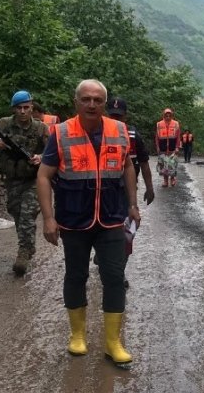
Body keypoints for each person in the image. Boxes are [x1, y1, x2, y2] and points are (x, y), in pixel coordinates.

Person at [36, 80, 141, 366]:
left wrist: (132, 204)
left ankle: (112, 342)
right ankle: (77, 335)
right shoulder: (60, 133)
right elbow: (44, 176)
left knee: (114, 277)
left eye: (97, 100)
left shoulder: (119, 131)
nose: (92, 104)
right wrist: (48, 218)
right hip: (73, 219)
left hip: (110, 218)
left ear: (104, 104)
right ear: (76, 102)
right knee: (76, 275)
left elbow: (128, 167)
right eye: (86, 99)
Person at [0, 89, 48, 276]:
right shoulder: (2, 125)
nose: (22, 111)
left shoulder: (41, 128)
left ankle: (24, 252)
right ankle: (27, 245)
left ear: (32, 107)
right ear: (14, 109)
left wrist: (40, 157)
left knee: (27, 215)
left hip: (33, 179)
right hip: (11, 180)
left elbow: (53, 150)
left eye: (26, 107)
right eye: (19, 108)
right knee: (17, 213)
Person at [106, 96, 155, 288]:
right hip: (104, 190)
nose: (116, 120)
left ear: (125, 116)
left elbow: (143, 162)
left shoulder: (133, 135)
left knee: (127, 231)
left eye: (119, 116)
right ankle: (105, 256)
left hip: (127, 191)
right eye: (112, 116)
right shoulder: (98, 132)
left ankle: (119, 271)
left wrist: (150, 188)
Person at [155, 107, 181, 187]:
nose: (168, 117)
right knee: (163, 166)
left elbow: (178, 137)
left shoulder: (176, 124)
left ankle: (172, 179)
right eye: (166, 115)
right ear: (164, 115)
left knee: (172, 165)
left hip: (172, 149)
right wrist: (157, 147)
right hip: (162, 149)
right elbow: (156, 137)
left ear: (171, 115)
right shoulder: (159, 124)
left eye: (169, 115)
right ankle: (165, 181)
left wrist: (177, 147)